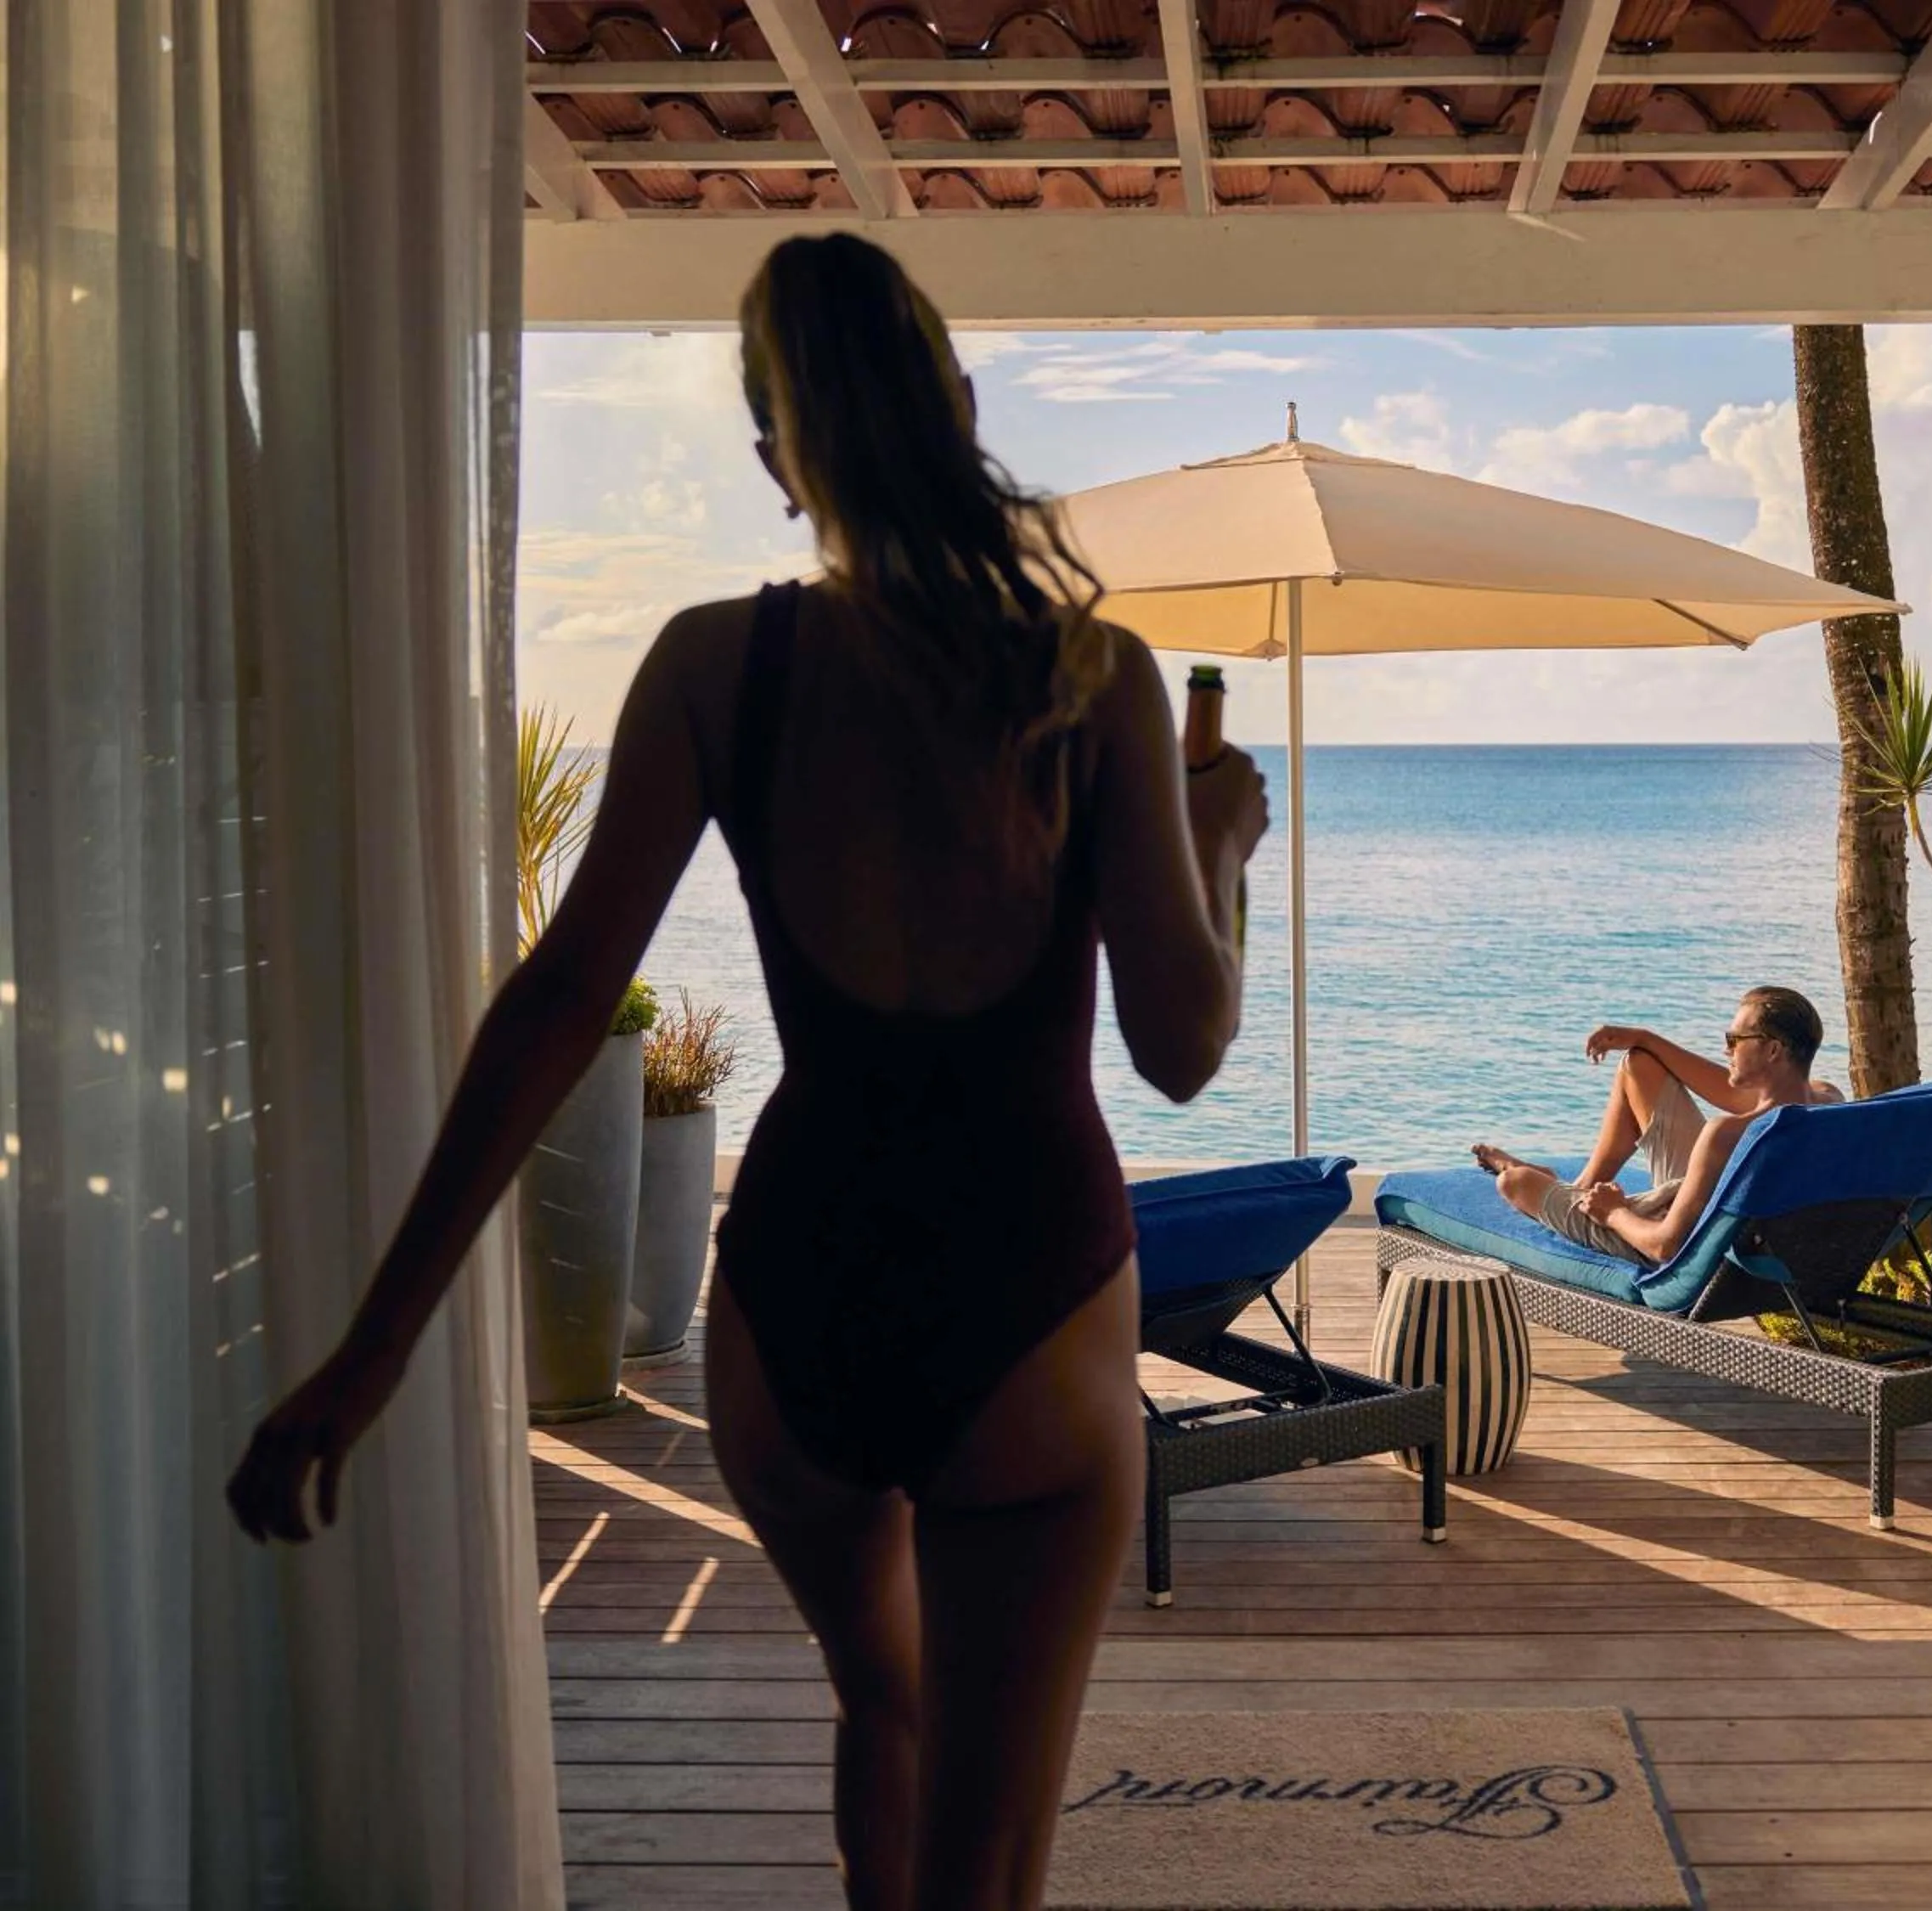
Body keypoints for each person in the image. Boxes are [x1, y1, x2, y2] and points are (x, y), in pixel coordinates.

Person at [224, 234, 1268, 1911]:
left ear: (780, 462)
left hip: (794, 1304)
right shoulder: (1097, 679)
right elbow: (1183, 1046)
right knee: (987, 1872)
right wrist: (1219, 852)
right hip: (1031, 1297)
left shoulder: (720, 665)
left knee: (880, 1706)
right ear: (963, 411)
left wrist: (373, 1349)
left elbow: (559, 1000)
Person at [1472, 987, 1836, 1268]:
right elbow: (1729, 1090)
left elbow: (1666, 1247)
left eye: (1734, 1040)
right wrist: (1644, 1039)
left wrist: (1613, 1212)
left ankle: (1573, 1195)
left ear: (1773, 1051)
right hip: (1740, 1221)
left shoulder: (1727, 1135)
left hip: (1670, 1231)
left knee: (1516, 1183)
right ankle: (1581, 1187)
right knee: (1640, 1065)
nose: (1726, 1050)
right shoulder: (1828, 1102)